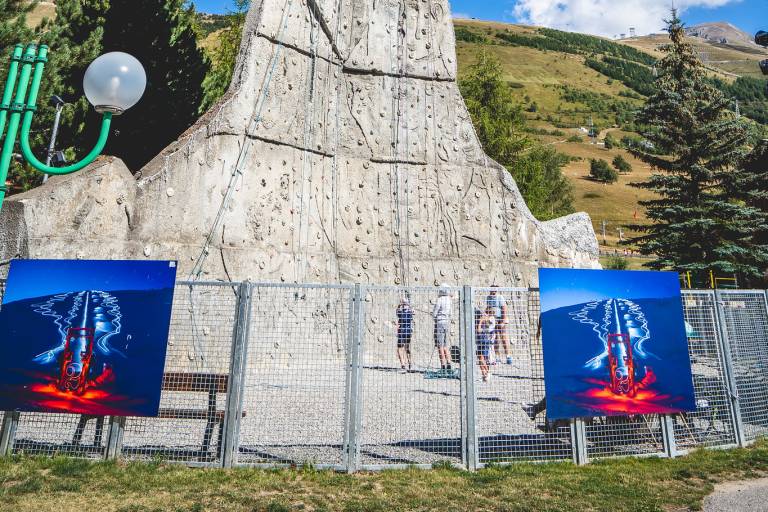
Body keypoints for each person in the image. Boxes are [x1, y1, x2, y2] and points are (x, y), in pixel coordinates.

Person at [486, 286, 512, 365]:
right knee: (495, 338)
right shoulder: (488, 298)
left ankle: (508, 356)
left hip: (500, 319)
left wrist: (503, 321)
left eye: (495, 290)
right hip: (493, 320)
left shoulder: (500, 297)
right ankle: (497, 356)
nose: (493, 292)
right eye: (492, 290)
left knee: (504, 338)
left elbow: (504, 309)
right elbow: (488, 308)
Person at [432, 285, 453, 371]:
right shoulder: (449, 300)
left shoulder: (440, 300)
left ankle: (443, 364)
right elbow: (450, 313)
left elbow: (435, 312)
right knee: (445, 345)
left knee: (440, 345)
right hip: (446, 322)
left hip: (440, 322)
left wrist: (433, 316)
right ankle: (449, 363)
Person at [476, 306, 497, 382]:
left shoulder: (491, 319)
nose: (485, 314)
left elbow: (479, 329)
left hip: (486, 341)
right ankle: (484, 375)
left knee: (483, 358)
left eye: (487, 312)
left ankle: (487, 373)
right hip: (483, 339)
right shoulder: (489, 319)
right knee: (480, 358)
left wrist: (481, 321)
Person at [396, 295, 414, 373]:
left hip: (402, 331)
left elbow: (397, 311)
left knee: (400, 348)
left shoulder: (401, 312)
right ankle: (409, 364)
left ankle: (403, 365)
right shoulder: (410, 312)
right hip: (408, 331)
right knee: (407, 347)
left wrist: (400, 304)